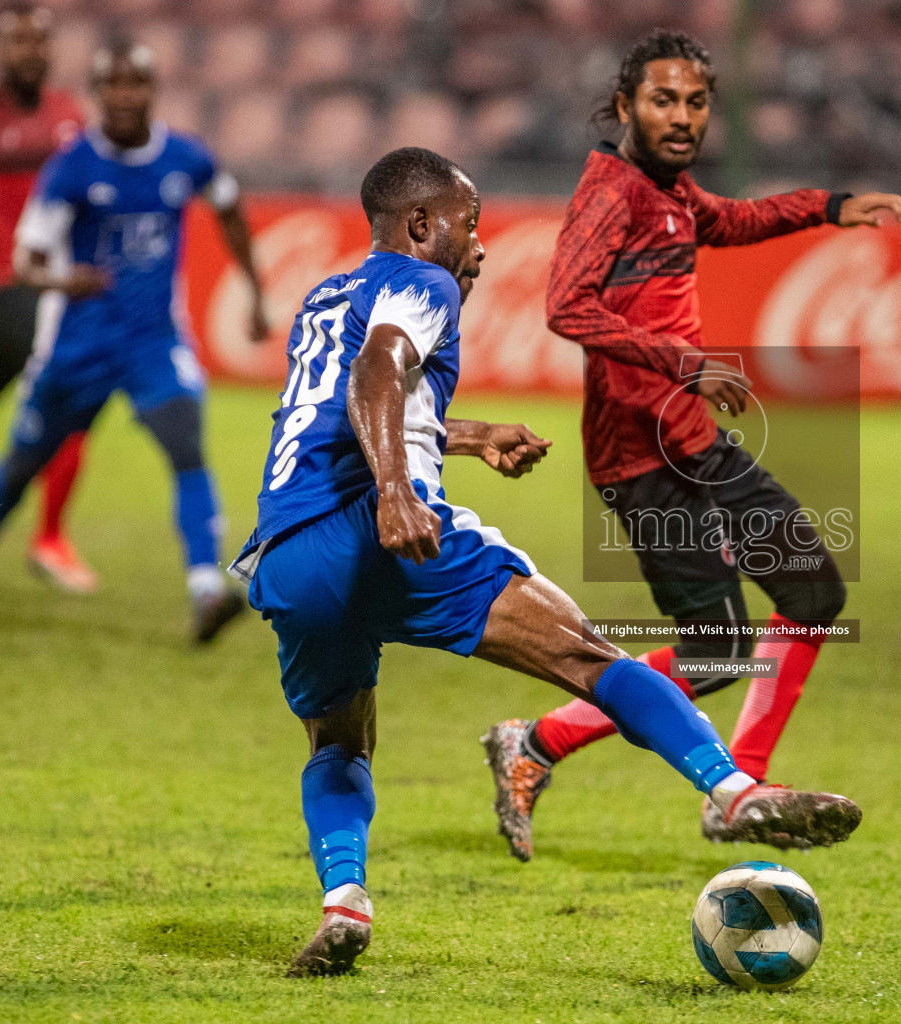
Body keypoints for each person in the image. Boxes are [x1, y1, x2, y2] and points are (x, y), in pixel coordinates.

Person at [229, 146, 860, 977]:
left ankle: (344, 901)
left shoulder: (326, 295)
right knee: (589, 655)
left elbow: (340, 408)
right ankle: (735, 791)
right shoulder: (424, 284)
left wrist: (473, 435)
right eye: (469, 224)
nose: (480, 246)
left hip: (284, 558)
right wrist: (394, 492)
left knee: (339, 740)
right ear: (421, 226)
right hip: (381, 532)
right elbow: (380, 370)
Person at [481, 29, 901, 861]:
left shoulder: (669, 191)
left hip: (695, 443)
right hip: (640, 462)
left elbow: (733, 218)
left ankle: (736, 788)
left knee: (813, 596)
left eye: (696, 102)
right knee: (718, 654)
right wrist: (685, 362)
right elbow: (566, 307)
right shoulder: (611, 192)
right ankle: (534, 742)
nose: (682, 117)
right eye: (663, 101)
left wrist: (828, 206)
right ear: (623, 107)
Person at [0, 40, 267, 641]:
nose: (124, 96)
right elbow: (28, 258)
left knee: (186, 447)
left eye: (136, 83)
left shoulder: (185, 157)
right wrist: (59, 280)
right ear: (96, 95)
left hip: (153, 343)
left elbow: (227, 206)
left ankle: (205, 587)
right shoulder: (72, 166)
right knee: (21, 465)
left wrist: (254, 289)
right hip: (77, 346)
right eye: (112, 85)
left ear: (152, 90)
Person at [0, 1, 94, 592]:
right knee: (69, 394)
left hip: (46, 283)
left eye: (39, 40)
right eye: (16, 42)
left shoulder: (68, 115)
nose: (29, 51)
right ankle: (49, 539)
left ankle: (48, 538)